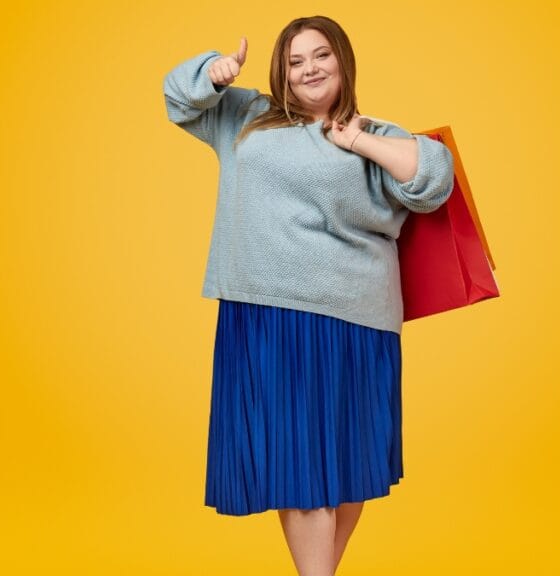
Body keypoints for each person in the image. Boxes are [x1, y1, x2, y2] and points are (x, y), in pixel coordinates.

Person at [163, 15, 454, 576]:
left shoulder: (378, 132)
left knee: (350, 463)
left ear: (342, 60)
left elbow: (432, 180)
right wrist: (213, 73)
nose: (309, 69)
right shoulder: (245, 117)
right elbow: (179, 98)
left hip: (356, 315)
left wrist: (357, 139)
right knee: (298, 465)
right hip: (266, 311)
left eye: (320, 56)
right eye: (295, 62)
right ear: (282, 73)